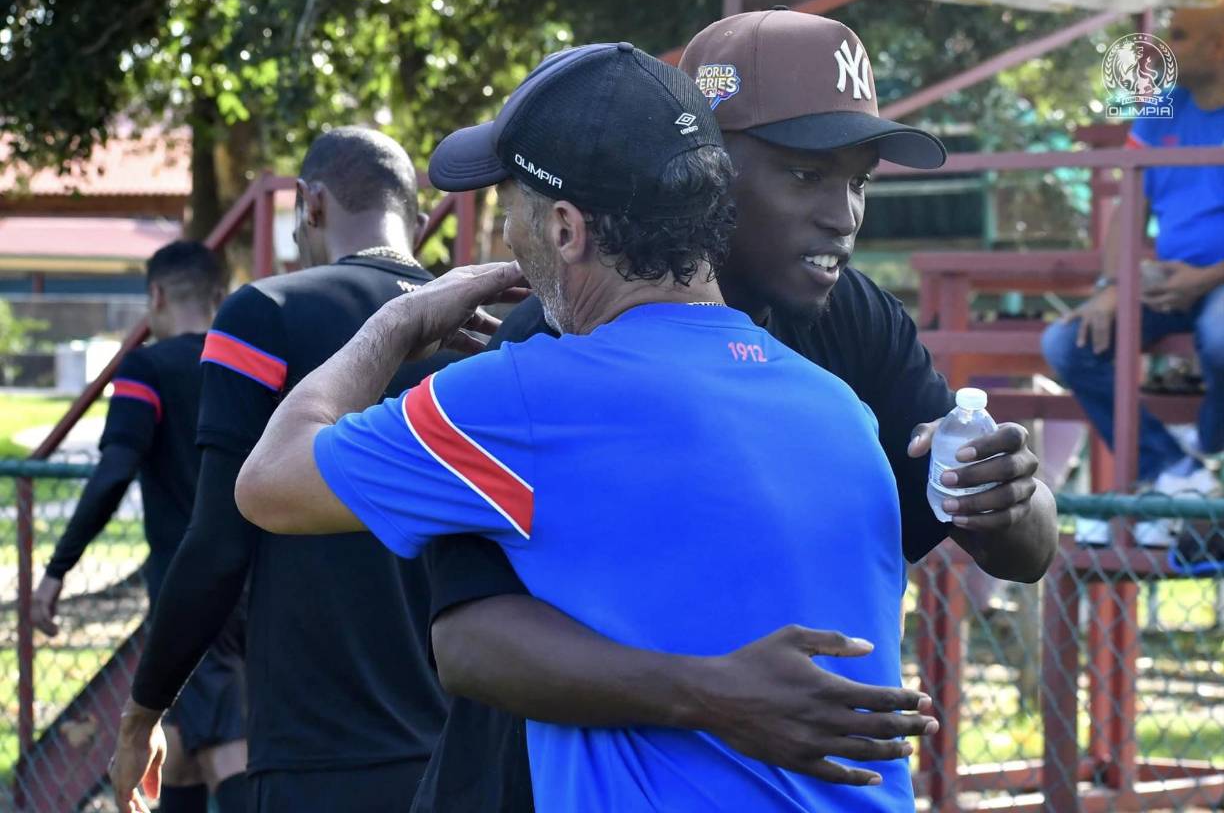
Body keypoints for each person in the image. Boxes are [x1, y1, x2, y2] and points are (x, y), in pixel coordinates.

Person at [239, 41, 953, 812]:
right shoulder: (840, 408)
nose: (509, 229)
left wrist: (397, 323)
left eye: (513, 201)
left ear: (567, 230)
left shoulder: (522, 396)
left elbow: (269, 484)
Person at [409, 11, 1062, 812]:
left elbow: (1020, 551)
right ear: (704, 168)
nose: (844, 213)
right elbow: (470, 642)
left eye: (858, 180)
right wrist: (712, 694)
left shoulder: (855, 321)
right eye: (803, 173)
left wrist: (1010, 496)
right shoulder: (562, 327)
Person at [107, 128, 455, 813]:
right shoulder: (484, 326)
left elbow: (217, 542)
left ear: (310, 204)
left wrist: (143, 713)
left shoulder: (265, 315)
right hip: (467, 747)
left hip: (316, 752)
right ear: (415, 220)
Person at [32, 241, 247, 813]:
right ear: (218, 298)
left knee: (227, 745)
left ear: (154, 296)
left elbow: (113, 474)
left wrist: (57, 570)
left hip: (189, 584)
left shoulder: (147, 369)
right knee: (175, 744)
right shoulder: (251, 363)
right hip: (260, 574)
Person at [1041, 4, 1224, 520]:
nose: (1166, 48)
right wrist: (1111, 284)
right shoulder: (1162, 105)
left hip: (1215, 282)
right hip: (1169, 279)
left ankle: (1207, 447)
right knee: (1066, 342)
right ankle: (1176, 468)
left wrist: (1207, 278)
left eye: (1182, 37)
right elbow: (1129, 206)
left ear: (1218, 47)